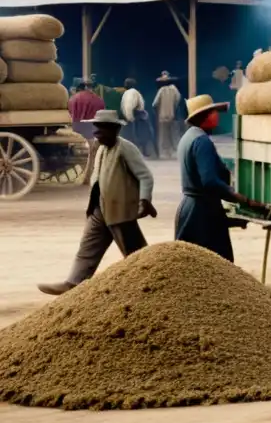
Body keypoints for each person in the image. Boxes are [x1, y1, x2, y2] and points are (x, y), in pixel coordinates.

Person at [37, 110, 157, 296]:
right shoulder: (101, 148)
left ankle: (154, 284)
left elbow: (145, 176)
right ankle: (74, 283)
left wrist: (144, 199)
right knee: (88, 246)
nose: (96, 133)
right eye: (96, 128)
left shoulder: (126, 148)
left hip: (120, 210)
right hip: (100, 208)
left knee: (134, 252)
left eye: (101, 129)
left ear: (114, 130)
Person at [174, 95, 260, 262]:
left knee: (191, 263)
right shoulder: (202, 141)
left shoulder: (188, 137)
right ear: (204, 116)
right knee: (216, 264)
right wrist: (242, 199)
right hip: (202, 213)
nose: (217, 115)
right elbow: (210, 182)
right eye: (213, 112)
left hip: (191, 209)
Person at [69, 79, 106, 186]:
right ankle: (94, 177)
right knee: (95, 155)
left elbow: (71, 114)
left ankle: (87, 178)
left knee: (91, 155)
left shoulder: (73, 99)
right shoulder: (98, 99)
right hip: (94, 130)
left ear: (76, 89)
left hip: (78, 130)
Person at [153, 71, 182, 160]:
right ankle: (175, 152)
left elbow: (154, 103)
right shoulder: (174, 89)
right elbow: (178, 99)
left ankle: (164, 153)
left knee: (163, 135)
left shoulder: (161, 91)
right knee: (174, 135)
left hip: (162, 117)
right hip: (173, 116)